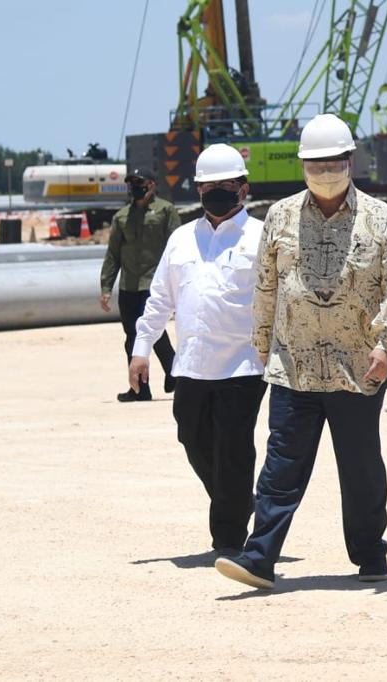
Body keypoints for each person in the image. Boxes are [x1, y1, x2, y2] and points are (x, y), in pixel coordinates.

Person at [215, 114, 387, 590]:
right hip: (292, 365)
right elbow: (265, 285)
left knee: (360, 469)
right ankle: (259, 556)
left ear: (350, 161)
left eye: (333, 163)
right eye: (315, 164)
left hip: (358, 367)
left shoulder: (381, 218)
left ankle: (370, 556)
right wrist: (262, 343)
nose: (324, 172)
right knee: (281, 466)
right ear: (302, 165)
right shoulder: (279, 216)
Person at [128, 144, 266, 557]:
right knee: (190, 436)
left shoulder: (261, 237)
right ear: (198, 189)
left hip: (244, 365)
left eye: (225, 185)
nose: (216, 193)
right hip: (191, 365)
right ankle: (238, 502)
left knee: (234, 449)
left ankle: (227, 537)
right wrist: (140, 350)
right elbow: (159, 299)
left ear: (243, 188)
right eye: (208, 186)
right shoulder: (181, 238)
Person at [100, 166, 180, 402]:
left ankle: (172, 372)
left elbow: (177, 247)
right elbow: (113, 254)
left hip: (155, 283)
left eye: (140, 183)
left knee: (151, 331)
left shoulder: (166, 211)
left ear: (152, 185)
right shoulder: (122, 216)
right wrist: (106, 287)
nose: (135, 188)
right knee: (132, 336)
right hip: (129, 286)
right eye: (132, 184)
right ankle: (141, 389)